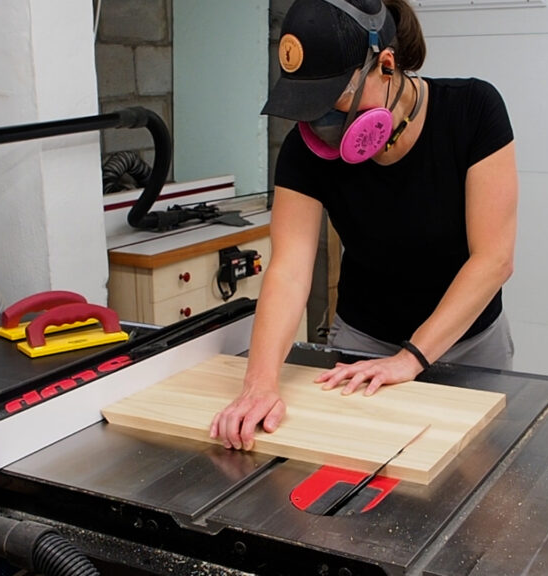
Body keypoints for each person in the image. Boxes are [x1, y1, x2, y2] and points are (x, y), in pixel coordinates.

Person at [210, 0, 517, 451]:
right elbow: (290, 270)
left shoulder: (472, 110)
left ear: (386, 66)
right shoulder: (304, 152)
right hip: (363, 346)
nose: (323, 125)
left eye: (334, 104)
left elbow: (493, 259)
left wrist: (411, 358)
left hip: (470, 346)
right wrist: (259, 384)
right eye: (309, 108)